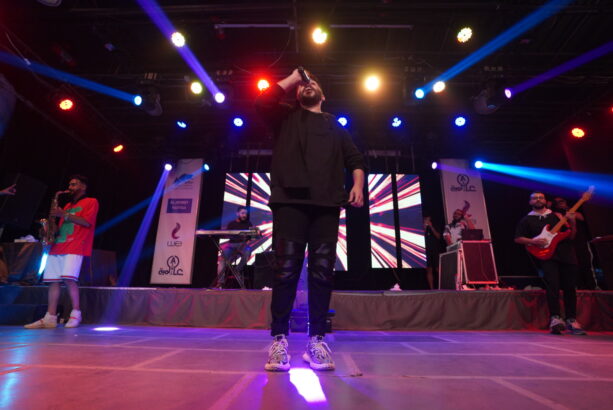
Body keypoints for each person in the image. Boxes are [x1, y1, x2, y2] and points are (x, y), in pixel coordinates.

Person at [255, 68, 365, 371]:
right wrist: (294, 78)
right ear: (296, 93)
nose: (308, 85)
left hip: (327, 205)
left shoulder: (334, 125)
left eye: (313, 83)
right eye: (303, 85)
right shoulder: (285, 117)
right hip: (290, 202)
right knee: (285, 271)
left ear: (323, 96)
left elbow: (355, 159)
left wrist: (357, 184)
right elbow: (262, 102)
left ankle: (316, 341)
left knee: (322, 273)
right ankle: (279, 340)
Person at [25, 175, 99, 329]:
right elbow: (60, 228)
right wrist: (48, 229)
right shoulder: (66, 206)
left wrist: (63, 214)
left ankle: (76, 313)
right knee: (53, 281)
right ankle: (50, 317)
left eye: (74, 184)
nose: (70, 187)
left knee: (69, 279)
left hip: (76, 245)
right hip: (58, 246)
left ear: (83, 187)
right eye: (70, 184)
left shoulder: (91, 201)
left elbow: (86, 222)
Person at [514, 191, 586, 335]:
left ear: (546, 201)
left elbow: (571, 236)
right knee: (552, 287)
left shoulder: (557, 216)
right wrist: (533, 241)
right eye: (534, 198)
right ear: (530, 202)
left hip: (567, 256)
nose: (538, 200)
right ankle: (555, 318)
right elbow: (518, 238)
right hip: (547, 257)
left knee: (570, 288)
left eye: (541, 197)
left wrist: (572, 222)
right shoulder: (526, 220)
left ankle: (571, 319)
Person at [552, 196, 596, 290]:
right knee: (573, 266)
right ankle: (578, 287)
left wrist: (569, 212)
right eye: (557, 202)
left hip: (581, 242)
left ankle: (592, 286)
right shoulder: (556, 215)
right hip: (566, 243)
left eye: (561, 201)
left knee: (586, 264)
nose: (560, 203)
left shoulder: (575, 212)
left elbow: (581, 218)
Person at [214, 205, 254, 288]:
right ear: (237, 213)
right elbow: (227, 235)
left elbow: (251, 237)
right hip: (231, 245)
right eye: (242, 213)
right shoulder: (231, 224)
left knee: (248, 251)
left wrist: (248, 242)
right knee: (222, 259)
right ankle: (220, 282)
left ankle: (237, 270)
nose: (244, 215)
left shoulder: (248, 223)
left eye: (245, 213)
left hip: (243, 244)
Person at [424, 215, 442, 289]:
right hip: (425, 250)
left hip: (435, 249)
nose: (427, 220)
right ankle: (431, 288)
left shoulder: (435, 225)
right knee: (429, 269)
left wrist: (431, 226)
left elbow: (438, 236)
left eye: (428, 218)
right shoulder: (422, 226)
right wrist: (425, 226)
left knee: (438, 268)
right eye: (425, 218)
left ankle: (442, 286)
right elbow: (421, 235)